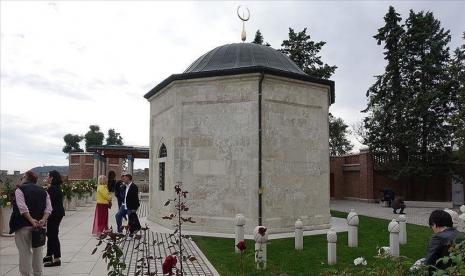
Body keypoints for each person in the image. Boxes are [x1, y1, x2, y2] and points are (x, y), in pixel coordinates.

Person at [9, 171, 52, 276]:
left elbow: (22, 207)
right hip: (39, 227)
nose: (21, 179)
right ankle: (38, 273)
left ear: (26, 178)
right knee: (38, 251)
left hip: (22, 225)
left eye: (22, 177)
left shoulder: (20, 190)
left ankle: (27, 274)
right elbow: (49, 208)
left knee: (25, 252)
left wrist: (31, 220)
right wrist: (43, 219)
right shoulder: (44, 191)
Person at [43, 170, 65, 267]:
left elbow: (48, 204)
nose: (47, 178)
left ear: (51, 178)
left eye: (48, 176)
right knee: (51, 234)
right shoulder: (56, 188)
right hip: (57, 213)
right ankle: (49, 255)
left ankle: (57, 259)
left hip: (54, 214)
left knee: (53, 235)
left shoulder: (52, 189)